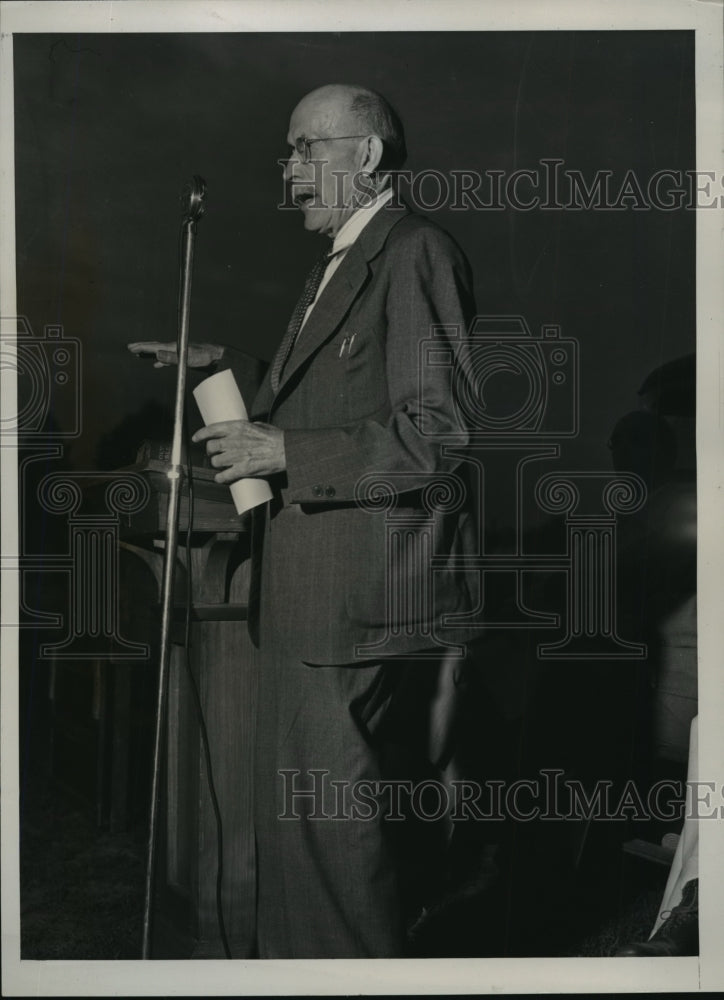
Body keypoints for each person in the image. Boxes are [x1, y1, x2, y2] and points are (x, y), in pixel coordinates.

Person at [128, 83, 480, 958]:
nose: (289, 170)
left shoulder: (415, 250)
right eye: (289, 152)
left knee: (329, 843)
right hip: (309, 594)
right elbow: (337, 392)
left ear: (367, 155)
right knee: (302, 837)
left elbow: (437, 434)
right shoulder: (342, 258)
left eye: (306, 148)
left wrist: (286, 451)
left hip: (353, 599)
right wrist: (227, 364)